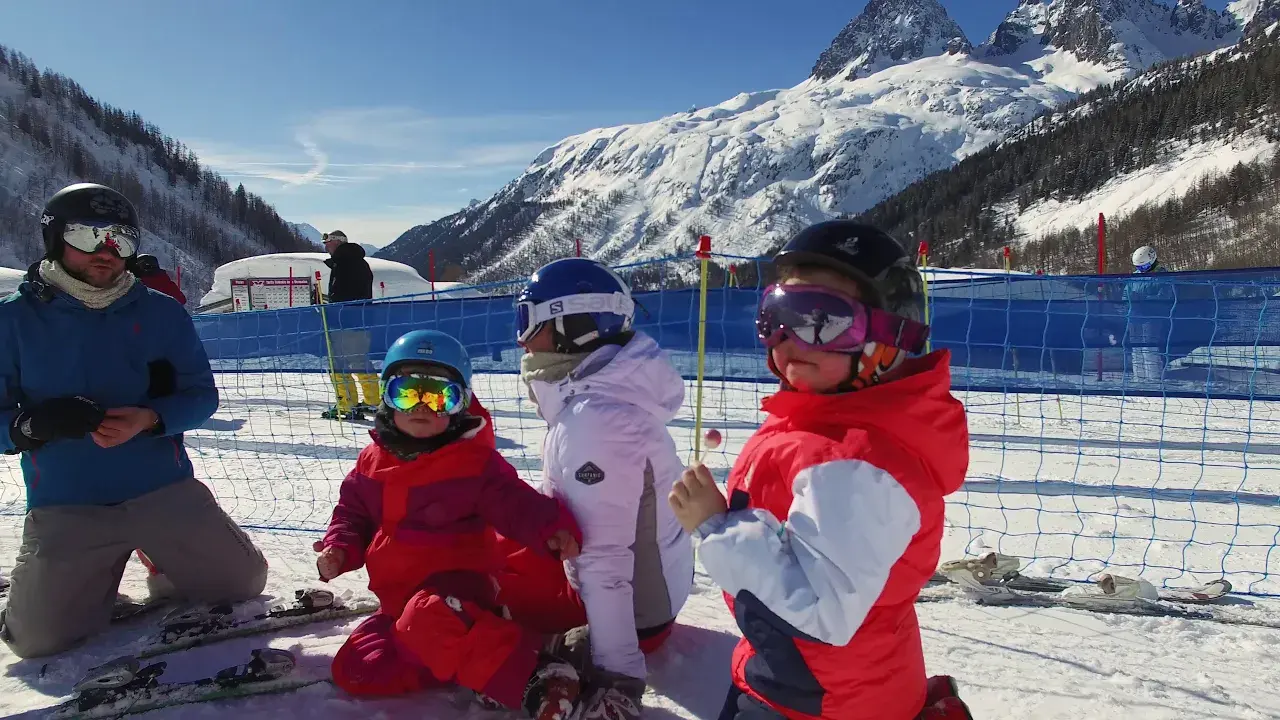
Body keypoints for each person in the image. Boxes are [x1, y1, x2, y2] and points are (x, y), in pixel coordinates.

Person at [667, 220, 973, 720]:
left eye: (821, 321)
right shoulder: (828, 421)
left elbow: (820, 608)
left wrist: (717, 526)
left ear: (887, 337)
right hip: (813, 675)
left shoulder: (857, 465)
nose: (788, 338)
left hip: (822, 700)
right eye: (775, 317)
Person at [0, 183, 267, 659]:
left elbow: (201, 395)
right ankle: (76, 580)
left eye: (120, 240)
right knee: (37, 640)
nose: (106, 251)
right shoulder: (14, 320)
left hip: (161, 490)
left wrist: (151, 417)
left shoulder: (161, 312)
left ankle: (156, 556)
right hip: (69, 503)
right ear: (55, 238)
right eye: (87, 236)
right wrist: (30, 426)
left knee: (241, 583)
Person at [315, 329, 589, 720]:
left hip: (458, 595)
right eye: (406, 393)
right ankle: (479, 663)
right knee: (356, 668)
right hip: (400, 603)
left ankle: (536, 675)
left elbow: (515, 502)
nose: (421, 407)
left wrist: (551, 527)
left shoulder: (472, 464)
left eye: (439, 397)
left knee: (428, 618)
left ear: (460, 405)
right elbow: (352, 512)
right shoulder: (372, 461)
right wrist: (340, 548)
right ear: (387, 399)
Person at [506, 257, 695, 720]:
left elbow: (603, 558)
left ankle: (532, 659)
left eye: (528, 321)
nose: (521, 339)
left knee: (477, 570)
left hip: (634, 617)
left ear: (574, 327)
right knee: (499, 536)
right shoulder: (601, 395)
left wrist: (619, 673)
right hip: (647, 595)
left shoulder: (598, 421)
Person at [321, 230, 379, 420]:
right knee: (359, 361)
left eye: (328, 242)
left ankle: (347, 404)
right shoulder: (356, 261)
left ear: (337, 242)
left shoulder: (345, 263)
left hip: (346, 321)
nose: (326, 246)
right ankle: (372, 401)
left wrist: (330, 306)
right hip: (359, 320)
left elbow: (342, 293)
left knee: (339, 364)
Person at [1127, 245, 1169, 382]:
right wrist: (1129, 300)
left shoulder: (1161, 276)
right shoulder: (1134, 277)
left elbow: (1166, 296)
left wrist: (1144, 299)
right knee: (1136, 349)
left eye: (1144, 267)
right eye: (1139, 268)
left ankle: (1154, 378)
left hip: (1152, 316)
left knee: (1149, 348)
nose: (1141, 270)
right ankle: (1139, 378)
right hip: (1134, 316)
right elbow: (1125, 294)